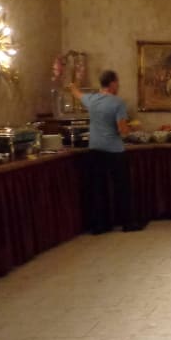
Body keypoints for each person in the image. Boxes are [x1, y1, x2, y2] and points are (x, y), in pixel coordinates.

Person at [68, 70, 146, 234]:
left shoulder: (91, 99)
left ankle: (101, 225)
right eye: (117, 83)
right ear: (112, 84)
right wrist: (134, 127)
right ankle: (127, 223)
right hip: (114, 150)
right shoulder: (118, 103)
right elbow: (122, 130)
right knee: (122, 187)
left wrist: (76, 80)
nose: (119, 86)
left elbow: (75, 92)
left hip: (95, 149)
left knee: (98, 188)